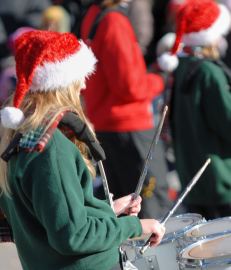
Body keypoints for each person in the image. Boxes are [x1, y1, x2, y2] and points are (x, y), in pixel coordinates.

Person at [0, 30, 165, 270]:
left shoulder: (16, 137)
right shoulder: (51, 147)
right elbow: (73, 236)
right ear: (61, 82)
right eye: (80, 76)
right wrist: (136, 227)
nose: (84, 84)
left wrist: (108, 210)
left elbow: (52, 214)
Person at [158, 0, 231, 221]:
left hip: (192, 177)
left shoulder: (180, 66)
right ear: (210, 35)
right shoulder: (208, 72)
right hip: (221, 179)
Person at [80, 0, 173, 219]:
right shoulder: (114, 20)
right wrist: (160, 79)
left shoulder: (94, 15)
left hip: (108, 125)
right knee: (151, 209)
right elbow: (130, 86)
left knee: (124, 209)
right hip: (130, 126)